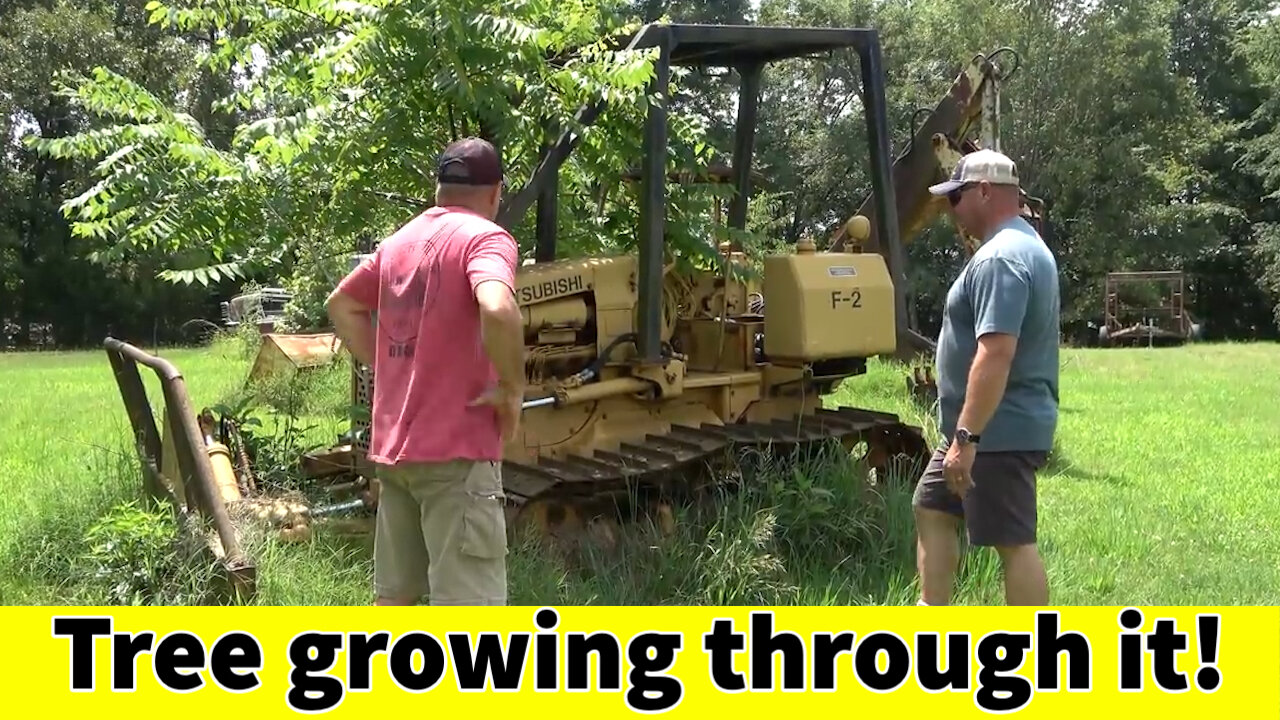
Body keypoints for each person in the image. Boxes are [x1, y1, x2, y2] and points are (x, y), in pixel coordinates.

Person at [325, 137, 525, 606]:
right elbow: (496, 307)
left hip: (396, 457)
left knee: (395, 604)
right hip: (456, 455)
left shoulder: (398, 243)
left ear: (438, 189)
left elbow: (342, 305)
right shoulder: (486, 238)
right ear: (495, 193)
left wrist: (391, 368)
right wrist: (513, 387)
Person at [912, 149, 1061, 606]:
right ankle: (932, 620)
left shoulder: (1002, 258)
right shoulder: (1021, 246)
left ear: (983, 191)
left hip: (994, 430)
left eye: (955, 197)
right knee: (931, 505)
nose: (950, 209)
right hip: (981, 428)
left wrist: (966, 438)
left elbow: (995, 353)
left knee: (1012, 541)